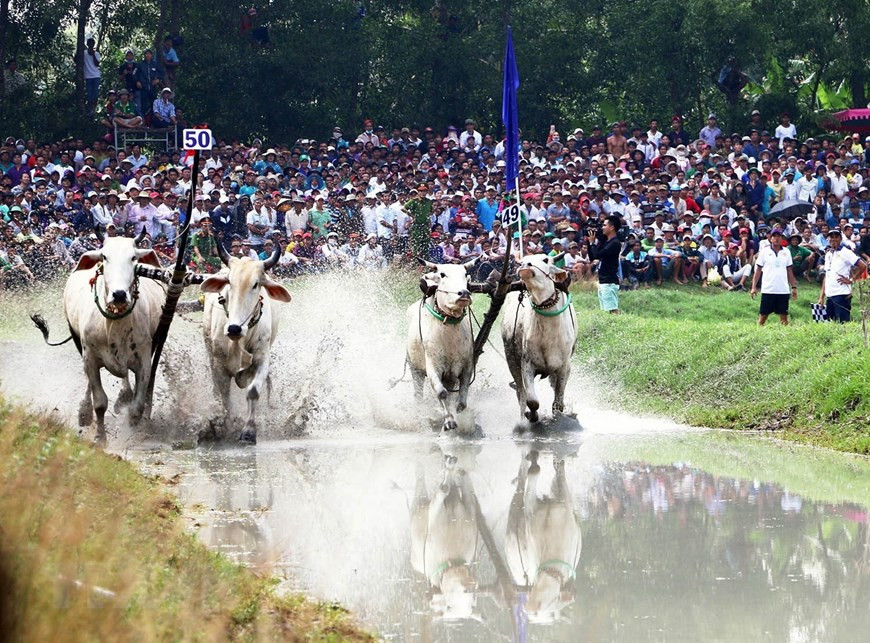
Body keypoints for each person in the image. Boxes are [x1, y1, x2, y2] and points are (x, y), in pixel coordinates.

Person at [818, 229, 867, 323]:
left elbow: (862, 265)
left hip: (842, 293)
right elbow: (826, 276)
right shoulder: (828, 254)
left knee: (843, 322)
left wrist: (852, 280)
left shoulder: (846, 252)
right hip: (830, 294)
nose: (833, 239)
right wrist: (821, 297)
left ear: (840, 238)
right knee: (830, 322)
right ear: (828, 239)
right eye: (831, 237)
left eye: (836, 237)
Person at [751, 229, 797, 325]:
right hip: (768, 289)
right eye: (774, 236)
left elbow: (789, 270)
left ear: (781, 239)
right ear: (770, 238)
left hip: (783, 289)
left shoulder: (786, 252)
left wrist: (793, 287)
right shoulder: (764, 252)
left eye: (778, 236)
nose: (776, 238)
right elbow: (758, 270)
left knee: (784, 317)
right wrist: (753, 287)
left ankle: (785, 337)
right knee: (763, 316)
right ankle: (757, 335)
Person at [587, 215, 622, 314]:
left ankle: (618, 325)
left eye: (604, 225)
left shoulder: (615, 243)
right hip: (603, 280)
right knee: (605, 310)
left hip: (609, 281)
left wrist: (593, 243)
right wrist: (590, 242)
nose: (602, 227)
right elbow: (593, 257)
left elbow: (598, 254)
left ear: (612, 227)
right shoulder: (606, 242)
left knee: (612, 309)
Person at [81, 37, 101, 116]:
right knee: (89, 94)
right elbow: (76, 60)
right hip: (88, 76)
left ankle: (94, 109)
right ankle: (89, 109)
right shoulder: (84, 53)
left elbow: (97, 64)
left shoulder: (96, 54)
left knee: (95, 93)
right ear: (87, 44)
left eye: (92, 44)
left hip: (96, 75)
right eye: (89, 44)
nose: (90, 46)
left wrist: (93, 55)